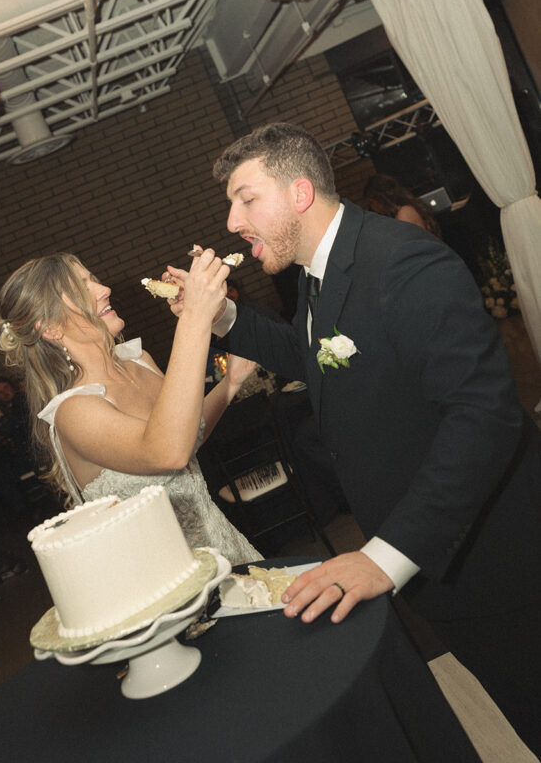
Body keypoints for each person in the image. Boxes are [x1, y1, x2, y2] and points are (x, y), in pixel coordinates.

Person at [164, 121, 541, 755]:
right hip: (440, 567)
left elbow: (483, 417)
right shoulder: (322, 271)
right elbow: (308, 353)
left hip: (496, 557)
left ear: (302, 193)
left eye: (246, 199)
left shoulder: (403, 260)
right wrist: (226, 317)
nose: (232, 221)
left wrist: (384, 557)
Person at [0, 252, 260, 565]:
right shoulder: (74, 411)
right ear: (50, 328)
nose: (104, 288)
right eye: (82, 287)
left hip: (227, 548)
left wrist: (231, 382)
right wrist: (194, 317)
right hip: (173, 579)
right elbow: (166, 452)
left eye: (94, 278)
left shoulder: (139, 361)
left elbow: (186, 436)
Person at [363, 173, 441, 236]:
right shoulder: (407, 209)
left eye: (371, 202)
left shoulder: (404, 213)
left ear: (380, 198)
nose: (372, 207)